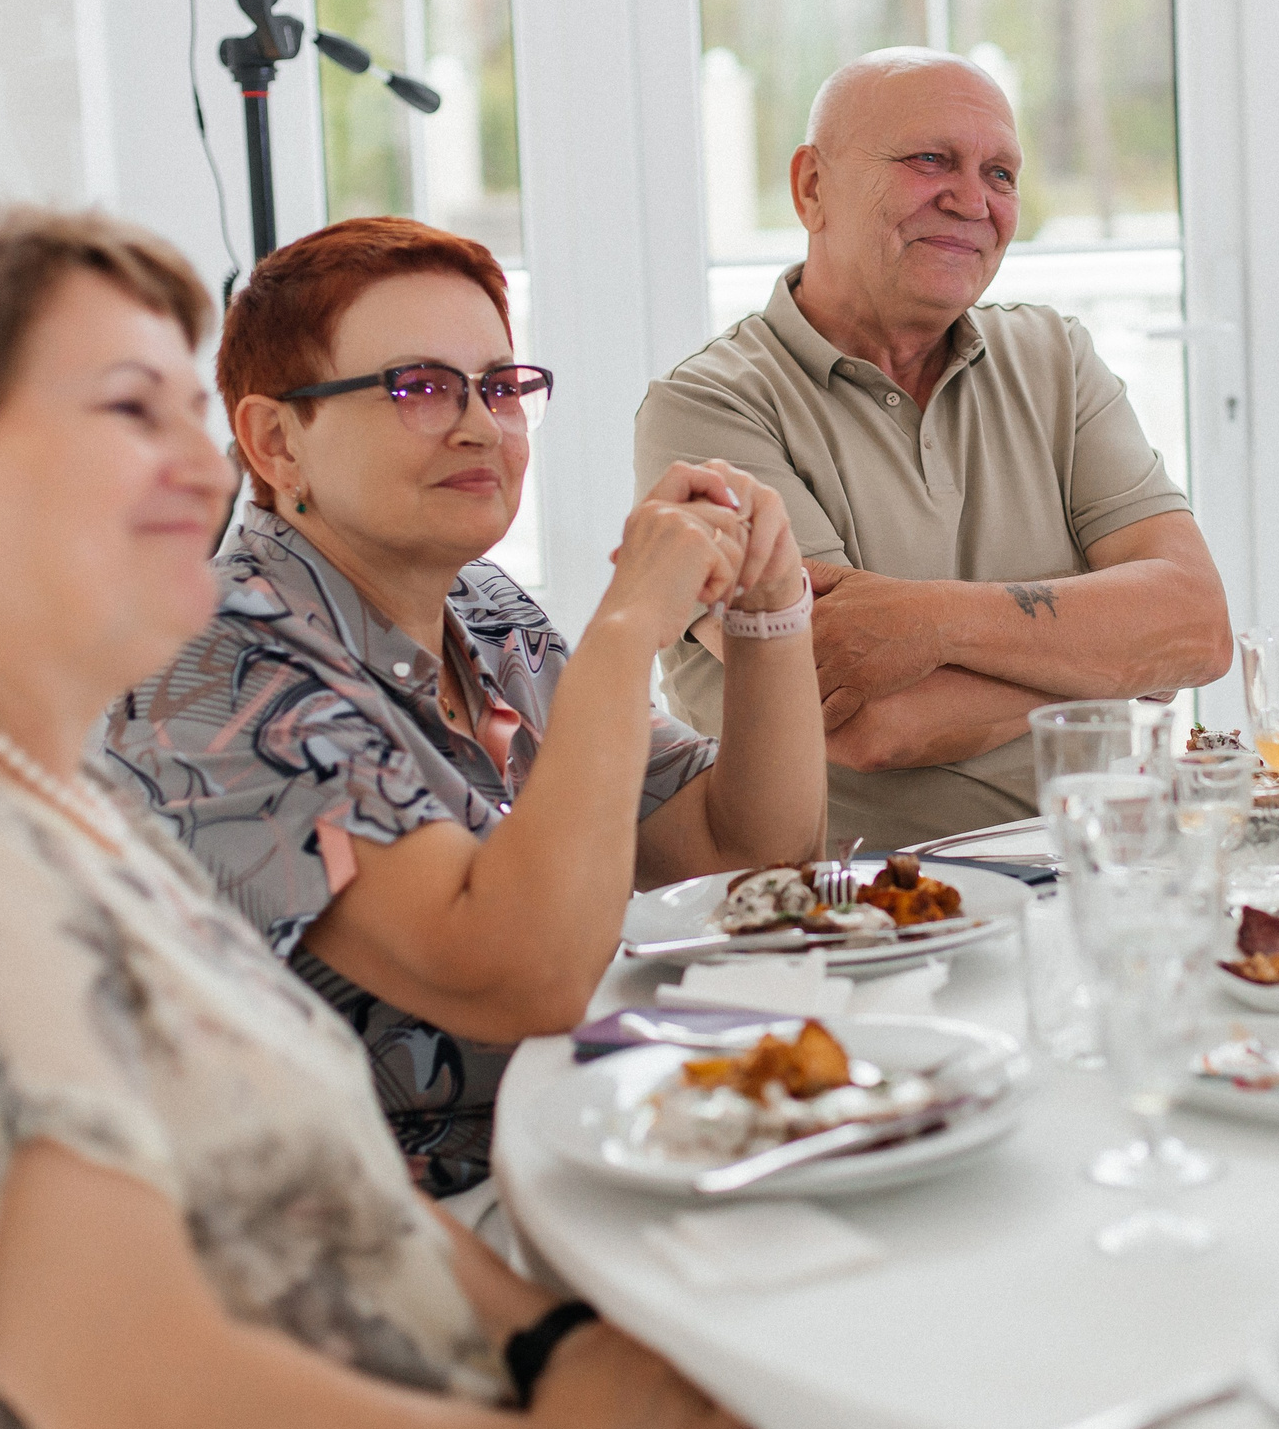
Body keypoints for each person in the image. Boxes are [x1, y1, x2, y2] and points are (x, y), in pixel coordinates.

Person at [0, 200, 747, 1429]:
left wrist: (556, 1344)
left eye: (187, 415)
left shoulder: (37, 797)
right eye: (128, 410)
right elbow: (143, 1392)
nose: (208, 470)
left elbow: (327, 1179)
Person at [103, 217, 823, 1233]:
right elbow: (523, 979)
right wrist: (626, 630)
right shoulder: (210, 662)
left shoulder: (487, 609)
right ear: (275, 442)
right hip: (367, 1238)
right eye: (418, 387)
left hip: (582, 1148)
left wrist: (771, 607)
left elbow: (741, 850)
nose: (482, 426)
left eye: (500, 386)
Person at [635, 48, 1233, 848]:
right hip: (848, 897)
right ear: (812, 188)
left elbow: (1199, 628)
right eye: (929, 160)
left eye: (1000, 174)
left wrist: (927, 622)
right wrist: (1122, 665)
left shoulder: (1055, 357)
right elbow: (871, 721)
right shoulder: (706, 410)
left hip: (1092, 870)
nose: (972, 201)